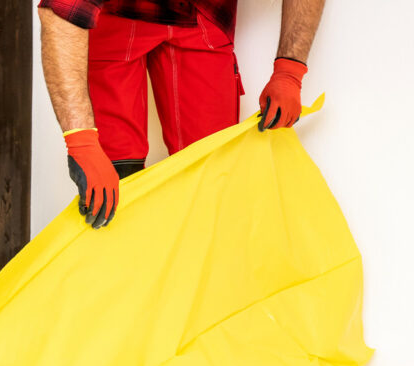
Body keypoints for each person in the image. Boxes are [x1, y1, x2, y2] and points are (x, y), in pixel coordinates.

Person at [38, 0, 325, 228]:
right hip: (114, 15)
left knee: (213, 180)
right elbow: (61, 12)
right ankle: (120, 286)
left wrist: (290, 71)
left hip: (202, 14)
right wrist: (82, 142)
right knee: (111, 187)